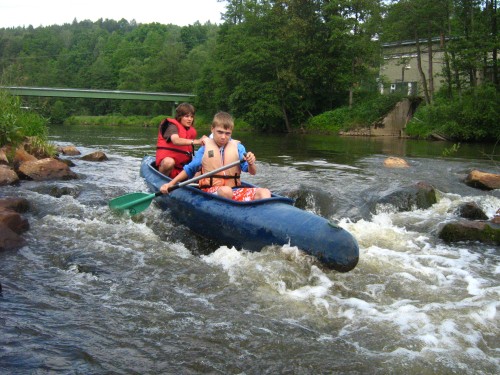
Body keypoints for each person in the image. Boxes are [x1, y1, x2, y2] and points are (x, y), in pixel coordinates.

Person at [160, 111, 271, 201]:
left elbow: (252, 172)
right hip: (210, 191)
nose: (223, 137)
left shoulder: (238, 147)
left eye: (227, 134)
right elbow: (190, 169)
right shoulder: (205, 148)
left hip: (233, 190)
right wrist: (170, 184)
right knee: (226, 191)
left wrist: (251, 163)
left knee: (265, 192)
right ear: (212, 129)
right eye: (220, 132)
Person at [155, 103, 205, 178]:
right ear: (180, 117)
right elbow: (175, 140)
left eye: (191, 116)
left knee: (202, 165)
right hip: (168, 167)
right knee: (169, 162)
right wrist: (197, 141)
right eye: (186, 116)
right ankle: (161, 181)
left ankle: (193, 186)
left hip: (183, 168)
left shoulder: (191, 131)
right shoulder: (171, 126)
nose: (190, 119)